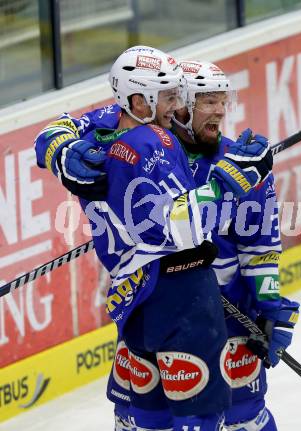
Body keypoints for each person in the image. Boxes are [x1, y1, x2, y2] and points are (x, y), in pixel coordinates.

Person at [34, 46, 275, 431]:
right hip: (182, 297)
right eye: (168, 97)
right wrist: (227, 183)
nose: (177, 107)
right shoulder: (152, 144)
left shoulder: (105, 132)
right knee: (201, 417)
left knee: (141, 421)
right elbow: (184, 229)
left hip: (134, 297)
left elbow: (58, 129)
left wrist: (57, 151)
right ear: (138, 100)